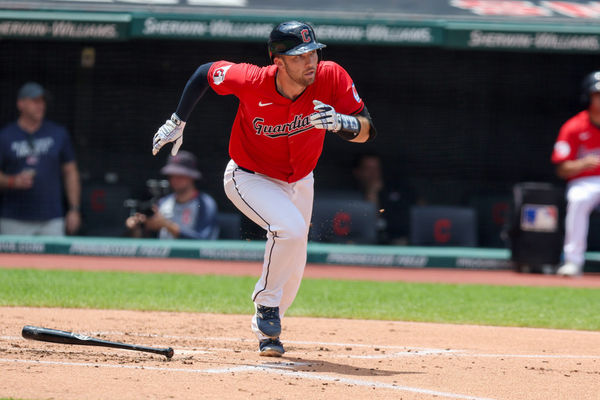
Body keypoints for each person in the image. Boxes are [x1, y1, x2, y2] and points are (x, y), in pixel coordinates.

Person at [151, 21, 376, 356]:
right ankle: (266, 305)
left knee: (295, 266)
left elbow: (368, 129)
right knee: (290, 229)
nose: (311, 61)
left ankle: (268, 332)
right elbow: (204, 73)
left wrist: (343, 124)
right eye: (300, 56)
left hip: (300, 179)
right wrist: (177, 120)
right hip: (248, 176)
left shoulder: (331, 76)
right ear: (279, 61)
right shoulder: (251, 79)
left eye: (313, 52)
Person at [0, 82, 81, 236]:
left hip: (51, 219)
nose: (40, 105)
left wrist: (74, 209)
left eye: (42, 101)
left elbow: (70, 172)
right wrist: (12, 181)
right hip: (14, 219)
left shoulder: (58, 133)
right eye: (34, 101)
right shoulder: (5, 136)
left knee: (56, 260)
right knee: (13, 261)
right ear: (21, 104)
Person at [552, 71, 600, 277]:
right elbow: (561, 169)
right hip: (585, 181)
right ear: (589, 97)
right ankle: (573, 261)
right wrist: (583, 163)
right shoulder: (574, 127)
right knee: (578, 199)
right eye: (598, 95)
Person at [126, 150, 219, 240]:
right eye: (172, 175)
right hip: (162, 254)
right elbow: (148, 242)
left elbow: (205, 240)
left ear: (191, 176)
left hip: (190, 255)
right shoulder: (163, 202)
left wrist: (167, 225)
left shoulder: (205, 203)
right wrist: (137, 228)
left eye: (180, 175)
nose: (175, 180)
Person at [352, 153, 410, 245]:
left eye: (376, 169)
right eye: (368, 169)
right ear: (357, 172)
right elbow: (366, 223)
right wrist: (372, 192)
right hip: (360, 243)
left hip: (391, 242)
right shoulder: (349, 196)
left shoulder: (394, 193)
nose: (373, 173)